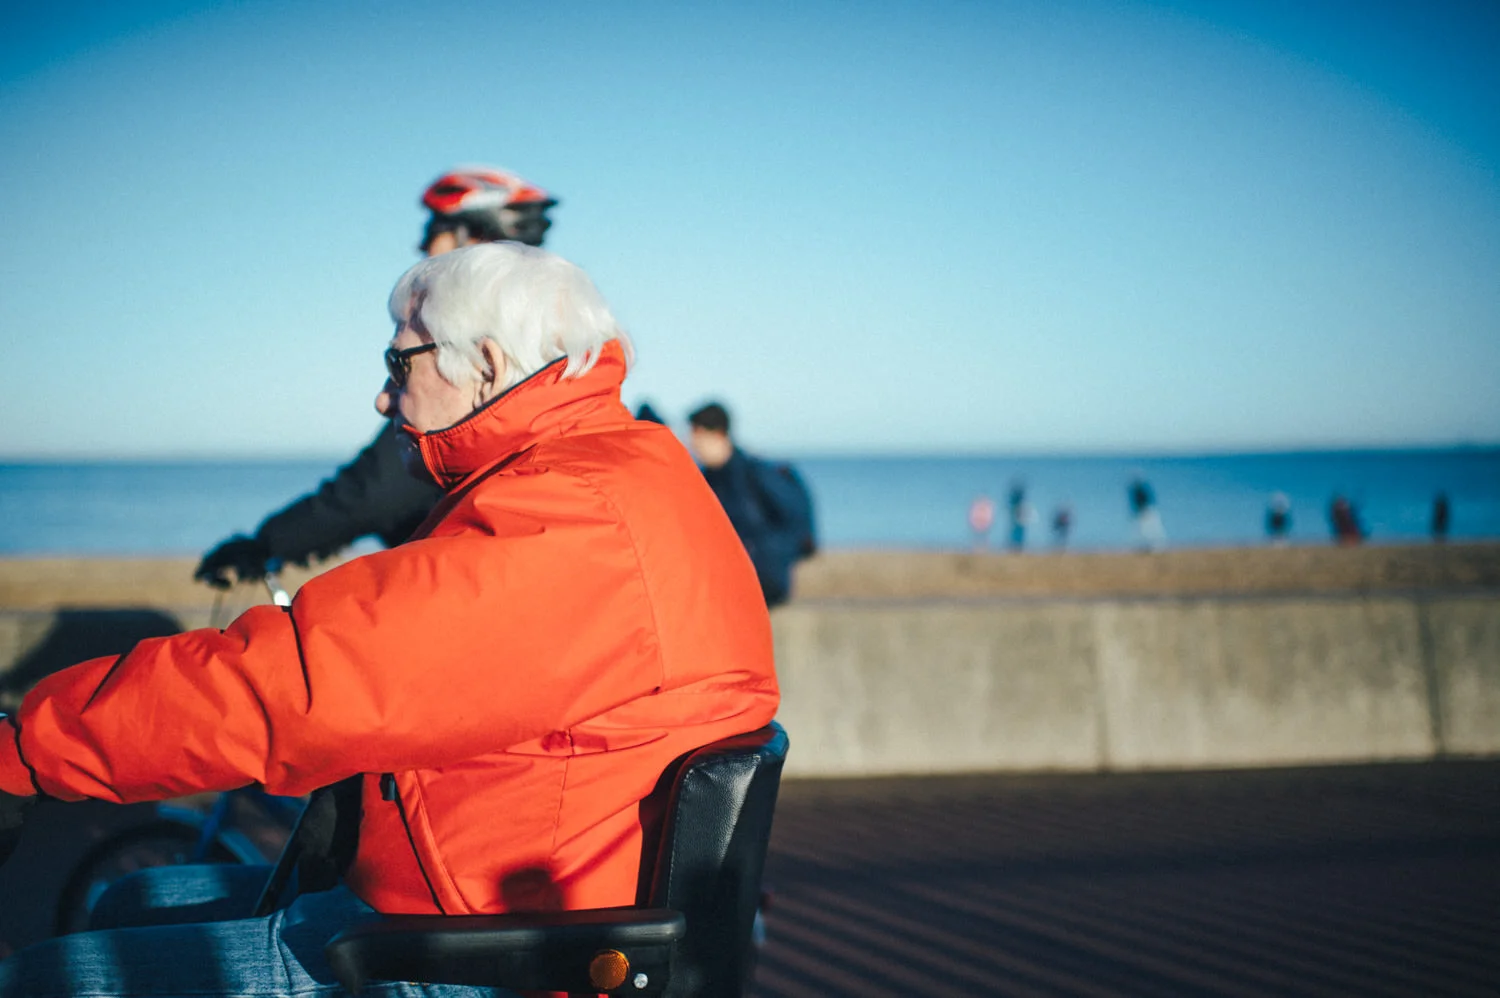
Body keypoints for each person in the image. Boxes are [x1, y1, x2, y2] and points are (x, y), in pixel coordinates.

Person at [0, 243, 779, 998]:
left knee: (49, 979)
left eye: (397, 364)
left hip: (492, 954)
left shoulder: (568, 518)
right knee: (126, 903)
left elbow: (297, 686)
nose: (382, 397)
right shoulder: (619, 469)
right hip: (505, 902)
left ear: (486, 364)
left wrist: (28, 751)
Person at [194, 166, 558, 588]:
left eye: (434, 228)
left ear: (472, 240)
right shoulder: (547, 334)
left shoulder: (466, 349)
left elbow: (375, 489)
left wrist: (266, 544)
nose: (422, 244)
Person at [687, 402, 816, 608]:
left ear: (719, 434)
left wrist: (765, 553)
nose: (693, 446)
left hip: (762, 581)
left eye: (698, 437)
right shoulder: (706, 480)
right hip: (728, 583)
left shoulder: (755, 472)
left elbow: (795, 518)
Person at [1128, 474, 1166, 552]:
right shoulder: (1136, 491)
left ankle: (1157, 547)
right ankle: (1145, 547)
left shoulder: (1142, 490)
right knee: (1143, 531)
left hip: (1146, 511)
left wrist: (1142, 510)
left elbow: (1148, 501)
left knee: (1151, 530)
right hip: (1142, 512)